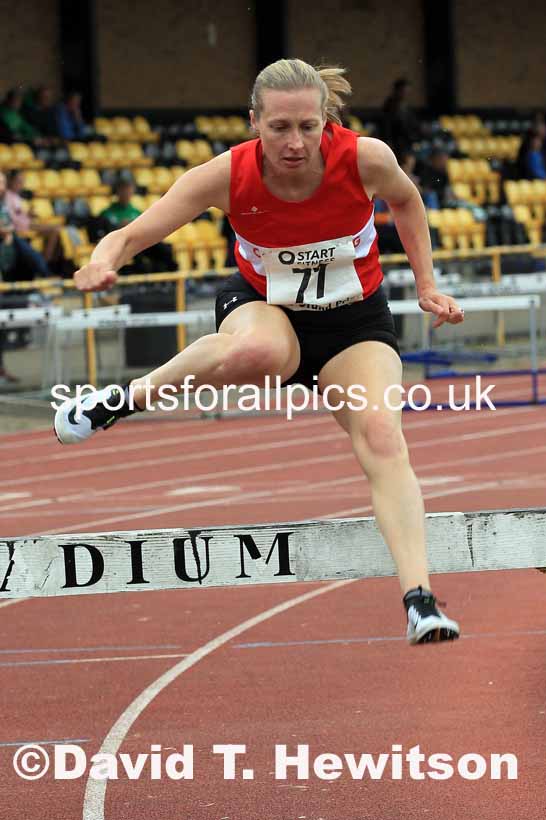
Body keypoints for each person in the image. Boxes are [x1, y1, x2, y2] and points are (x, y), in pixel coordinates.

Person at [54, 58, 464, 645]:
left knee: (380, 433)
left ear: (326, 121)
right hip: (263, 306)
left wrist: (426, 285)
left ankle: (419, 601)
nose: (294, 143)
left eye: (306, 127)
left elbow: (409, 202)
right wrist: (101, 262)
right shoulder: (225, 176)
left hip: (354, 324)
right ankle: (124, 398)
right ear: (254, 123)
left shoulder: (365, 158)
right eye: (278, 128)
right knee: (261, 352)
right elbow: (135, 233)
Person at [5, 169, 62, 263]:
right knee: (55, 230)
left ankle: (47, 262)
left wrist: (28, 214)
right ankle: (44, 262)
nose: (21, 184)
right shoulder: (8, 196)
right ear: (11, 181)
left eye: (22, 181)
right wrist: (26, 217)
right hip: (23, 227)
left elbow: (18, 213)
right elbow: (13, 218)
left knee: (57, 230)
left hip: (27, 224)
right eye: (18, 181)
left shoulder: (15, 196)